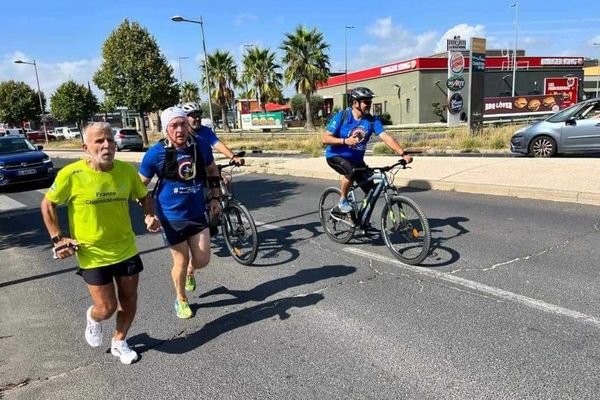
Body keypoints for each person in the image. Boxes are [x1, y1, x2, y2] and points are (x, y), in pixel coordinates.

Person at [41, 122, 160, 365]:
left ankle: (119, 341)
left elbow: (143, 196)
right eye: (99, 141)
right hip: (92, 253)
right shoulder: (71, 175)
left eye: (110, 140)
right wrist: (57, 237)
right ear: (86, 147)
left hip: (126, 248)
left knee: (129, 301)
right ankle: (94, 319)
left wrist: (149, 215)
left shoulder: (126, 171)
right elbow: (48, 203)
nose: (106, 145)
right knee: (106, 307)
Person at [139, 107, 221, 319]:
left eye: (183, 124)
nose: (180, 129)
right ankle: (181, 299)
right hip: (171, 216)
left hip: (196, 213)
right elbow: (139, 187)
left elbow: (212, 170)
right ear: (166, 129)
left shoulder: (200, 146)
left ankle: (191, 272)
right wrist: (148, 214)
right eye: (174, 125)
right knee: (180, 261)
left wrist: (215, 197)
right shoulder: (155, 154)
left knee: (202, 259)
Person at [322, 87, 412, 213]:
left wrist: (403, 154)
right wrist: (344, 141)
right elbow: (325, 138)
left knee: (372, 191)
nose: (369, 105)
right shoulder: (342, 116)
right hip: (336, 156)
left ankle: (363, 222)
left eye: (370, 102)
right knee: (351, 171)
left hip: (357, 161)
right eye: (366, 102)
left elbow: (386, 137)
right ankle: (342, 200)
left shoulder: (371, 121)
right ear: (355, 103)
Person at [181, 102, 245, 167]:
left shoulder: (206, 131)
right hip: (191, 171)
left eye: (199, 115)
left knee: (221, 177)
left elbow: (219, 146)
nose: (197, 118)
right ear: (185, 118)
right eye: (194, 116)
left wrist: (234, 157)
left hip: (209, 169)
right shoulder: (182, 134)